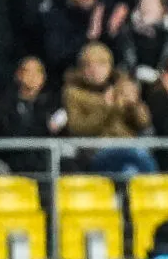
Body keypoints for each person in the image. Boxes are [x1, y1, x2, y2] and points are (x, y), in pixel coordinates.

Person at [63, 42, 158, 177]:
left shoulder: (123, 85)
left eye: (101, 64)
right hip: (96, 150)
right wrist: (107, 107)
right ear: (81, 69)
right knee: (131, 167)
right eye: (88, 65)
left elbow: (143, 123)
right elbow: (78, 127)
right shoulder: (73, 93)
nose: (95, 70)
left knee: (135, 164)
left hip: (129, 145)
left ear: (110, 66)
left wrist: (135, 105)